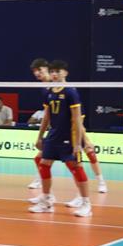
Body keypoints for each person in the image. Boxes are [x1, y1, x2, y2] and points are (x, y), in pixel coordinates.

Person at [27, 60, 92, 217]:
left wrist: (78, 143)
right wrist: (40, 136)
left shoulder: (70, 92)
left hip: (68, 136)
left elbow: (77, 119)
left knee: (76, 167)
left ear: (65, 73)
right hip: (53, 135)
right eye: (53, 71)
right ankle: (47, 200)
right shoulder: (49, 92)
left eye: (58, 71)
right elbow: (46, 117)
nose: (55, 74)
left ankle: (86, 203)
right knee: (43, 164)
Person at [25, 59, 51, 190]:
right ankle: (41, 183)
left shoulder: (57, 84)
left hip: (68, 127)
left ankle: (100, 182)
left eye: (39, 70)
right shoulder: (44, 89)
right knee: (40, 158)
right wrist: (40, 136)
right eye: (35, 71)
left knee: (78, 159)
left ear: (47, 68)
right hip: (55, 129)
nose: (37, 73)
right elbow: (47, 113)